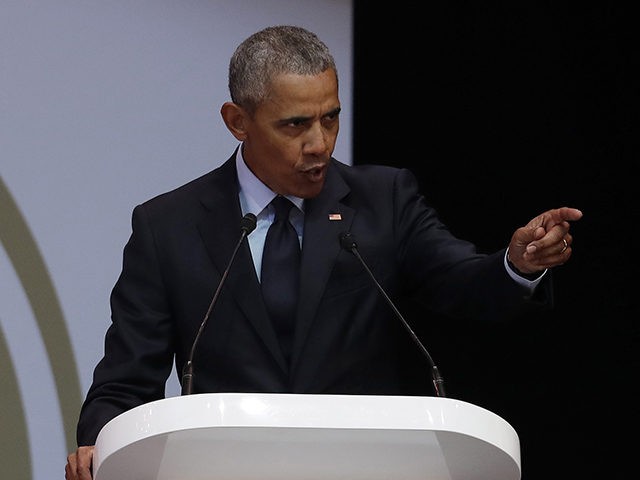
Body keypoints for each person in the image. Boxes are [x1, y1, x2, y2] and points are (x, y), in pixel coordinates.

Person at [65, 25, 582, 479]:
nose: (320, 143)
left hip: (363, 468)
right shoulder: (167, 226)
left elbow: (462, 283)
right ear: (237, 121)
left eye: (330, 118)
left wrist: (517, 266)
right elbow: (127, 376)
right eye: (295, 125)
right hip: (221, 469)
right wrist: (99, 442)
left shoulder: (385, 201)